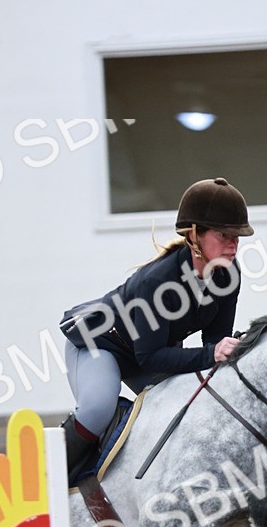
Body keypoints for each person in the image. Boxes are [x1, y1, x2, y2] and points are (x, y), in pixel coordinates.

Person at [59, 176, 254, 484]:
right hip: (100, 343)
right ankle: (49, 483)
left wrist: (228, 350)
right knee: (98, 407)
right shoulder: (159, 280)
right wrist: (211, 354)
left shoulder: (227, 276)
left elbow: (214, 342)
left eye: (237, 236)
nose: (233, 244)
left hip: (147, 352)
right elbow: (150, 357)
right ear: (194, 235)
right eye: (224, 235)